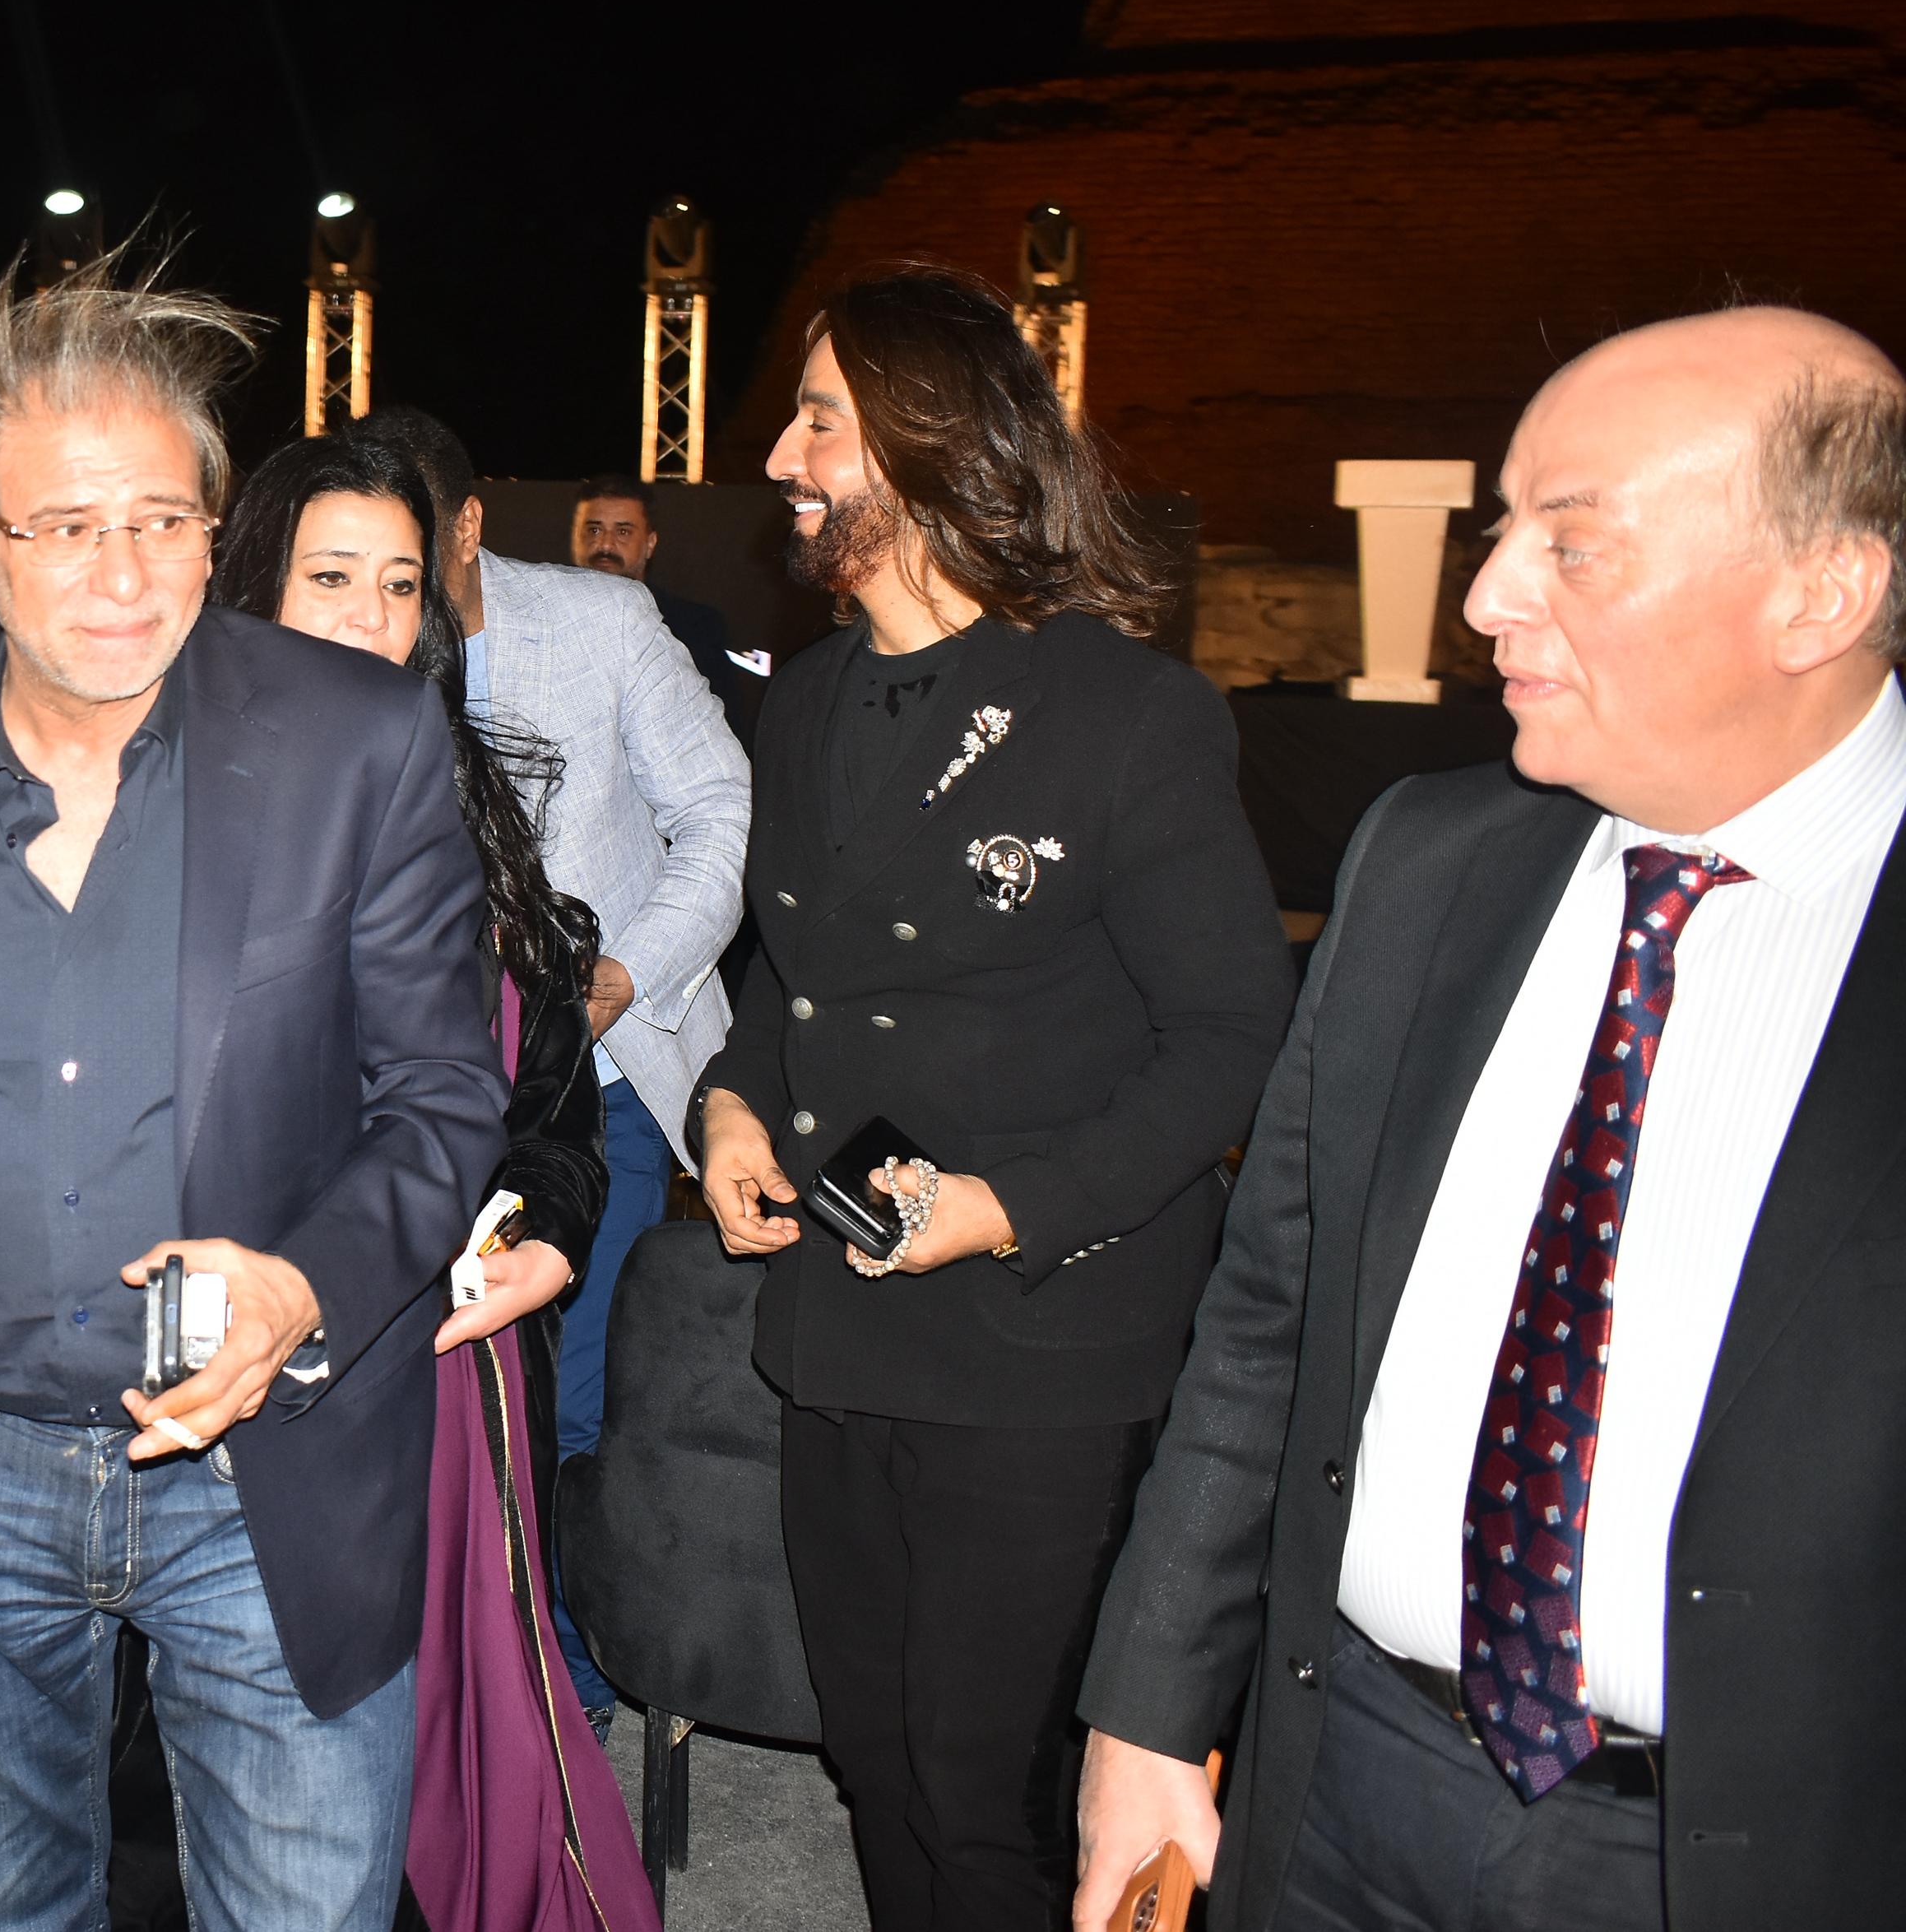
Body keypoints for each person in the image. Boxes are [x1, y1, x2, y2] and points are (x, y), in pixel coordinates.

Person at [1071, 307, 1906, 1932]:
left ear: (1821, 592)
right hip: (1341, 1771)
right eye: (1502, 525)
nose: (1485, 594)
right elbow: (1268, 1323)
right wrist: (1149, 1712)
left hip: (1752, 1852)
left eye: (1570, 542)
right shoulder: (1426, 859)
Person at [0, 254, 503, 1932]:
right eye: (68, 525)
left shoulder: (358, 740)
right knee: (4, 1903)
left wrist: (303, 1281)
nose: (125, 572)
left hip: (269, 1457)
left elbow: (446, 1097)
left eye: (162, 519)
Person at [690, 265, 1292, 1932]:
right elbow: (791, 983)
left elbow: (1235, 1034)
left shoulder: (1125, 713)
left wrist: (1012, 1207)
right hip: (839, 1322)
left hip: (1039, 1349)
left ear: (931, 440)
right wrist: (732, 1105)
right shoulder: (806, 700)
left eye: (821, 419)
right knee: (878, 1761)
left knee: (992, 1797)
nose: (784, 458)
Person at [213, 428, 654, 1932]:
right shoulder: (166, 799)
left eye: (401, 584)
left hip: (451, 1351)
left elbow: (549, 1099)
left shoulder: (468, 801)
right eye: (330, 576)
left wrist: (547, 1230)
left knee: (442, 1744)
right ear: (255, 590)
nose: (370, 614)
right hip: (249, 1352)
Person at [364, 405, 750, 1725]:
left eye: (412, 552)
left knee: (562, 1403)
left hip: (598, 1081)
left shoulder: (602, 624)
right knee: (411, 1405)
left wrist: (622, 974)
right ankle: (435, 1682)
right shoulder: (335, 648)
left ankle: (561, 1698)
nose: (387, 590)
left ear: (469, 524)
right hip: (398, 1099)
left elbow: (719, 811)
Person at [571, 474, 756, 743]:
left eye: (623, 532)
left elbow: (721, 733)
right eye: (594, 530)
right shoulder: (540, 623)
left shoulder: (694, 628)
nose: (606, 545)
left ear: (650, 544)